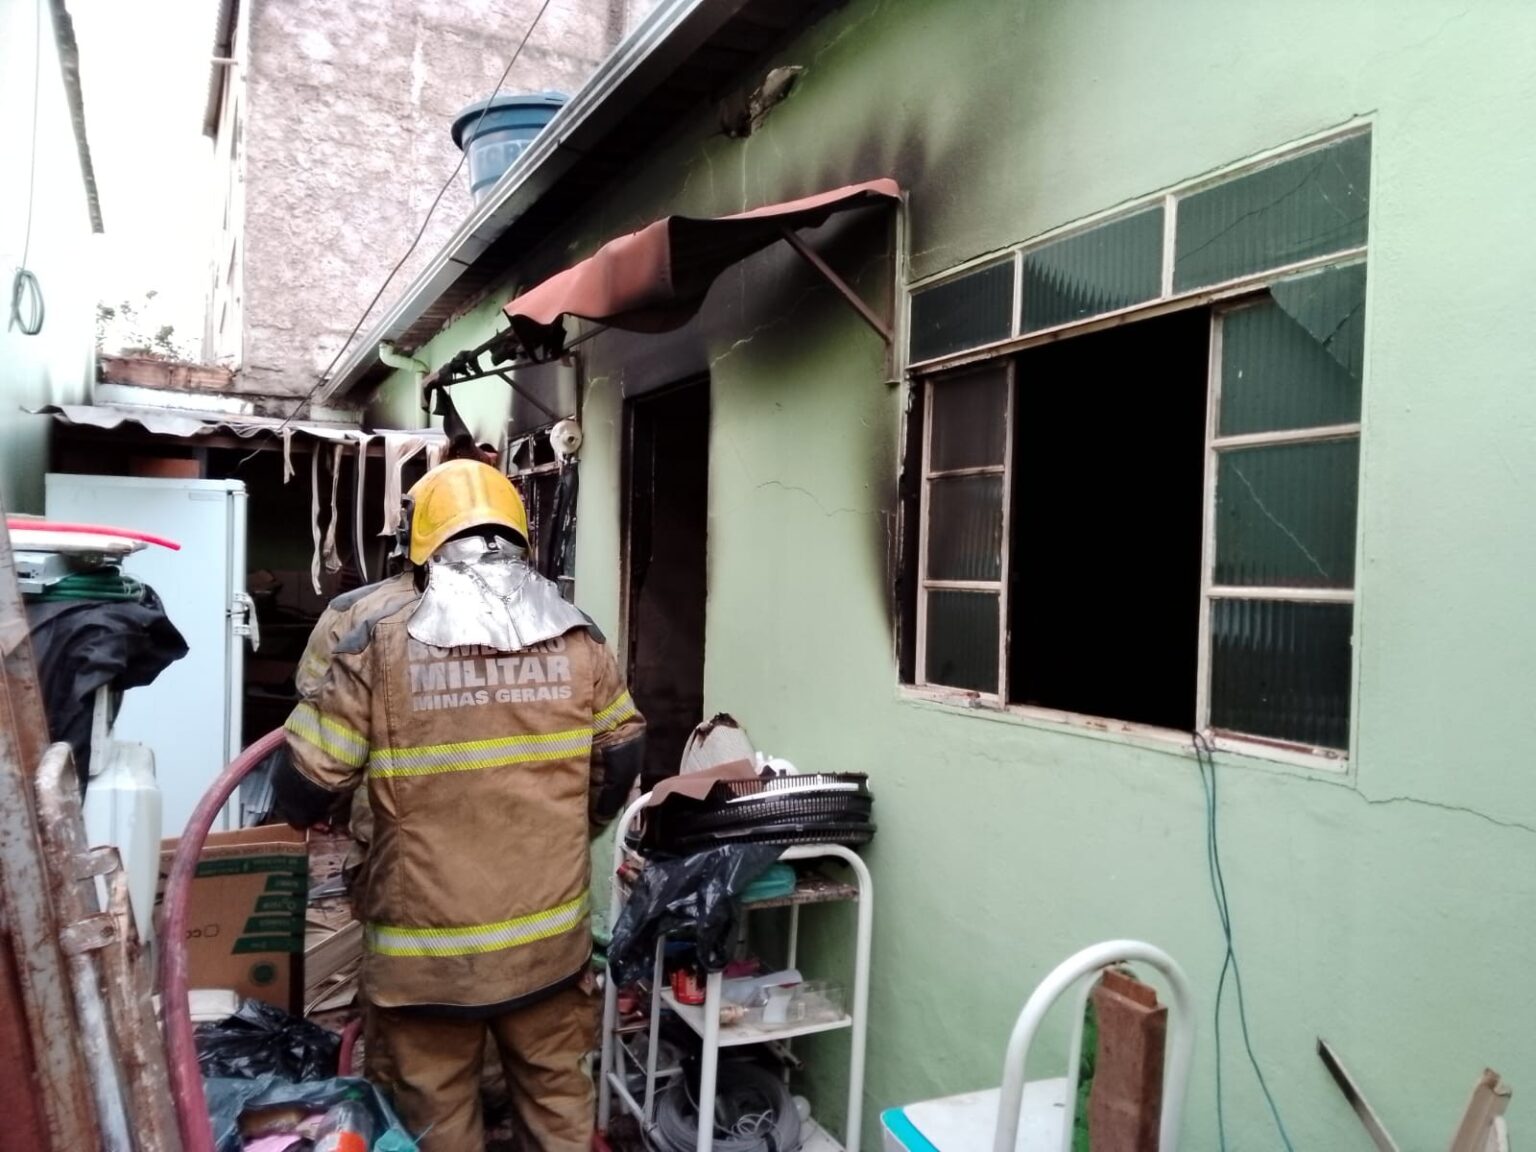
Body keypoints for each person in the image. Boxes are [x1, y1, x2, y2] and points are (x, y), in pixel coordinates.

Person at [274, 458, 646, 1151]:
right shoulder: (580, 636)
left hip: (425, 963)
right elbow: (622, 759)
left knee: (436, 1117)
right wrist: (575, 826)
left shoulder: (374, 637)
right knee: (559, 1099)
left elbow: (305, 785)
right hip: (549, 947)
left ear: (420, 543)